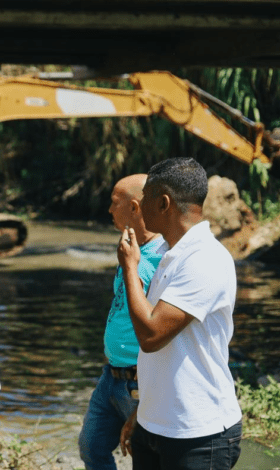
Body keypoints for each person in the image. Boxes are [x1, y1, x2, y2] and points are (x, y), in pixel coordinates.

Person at [117, 157, 242, 469]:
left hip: (199, 435)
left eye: (145, 197)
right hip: (155, 424)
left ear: (163, 203)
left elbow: (152, 336)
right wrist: (143, 411)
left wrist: (129, 267)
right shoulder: (172, 254)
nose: (139, 205)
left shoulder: (204, 260)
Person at [78, 174, 164, 470]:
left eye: (116, 204)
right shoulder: (130, 250)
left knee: (145, 457)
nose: (110, 210)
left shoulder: (161, 260)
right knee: (91, 448)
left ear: (136, 207)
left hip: (139, 381)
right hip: (110, 376)